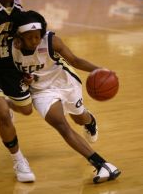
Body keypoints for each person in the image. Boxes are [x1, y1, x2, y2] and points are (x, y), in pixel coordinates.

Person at [12, 10, 121, 184]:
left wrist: (101, 70)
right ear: (19, 36)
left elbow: (75, 61)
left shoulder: (51, 41)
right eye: (29, 37)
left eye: (37, 36)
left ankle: (89, 120)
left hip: (65, 82)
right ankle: (102, 164)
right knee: (61, 125)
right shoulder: (10, 48)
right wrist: (24, 78)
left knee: (79, 119)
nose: (34, 40)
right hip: (41, 91)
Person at [0, 0, 35, 182]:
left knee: (26, 110)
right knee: (2, 113)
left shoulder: (18, 5)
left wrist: (25, 66)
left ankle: (4, 101)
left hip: (7, 65)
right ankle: (19, 160)